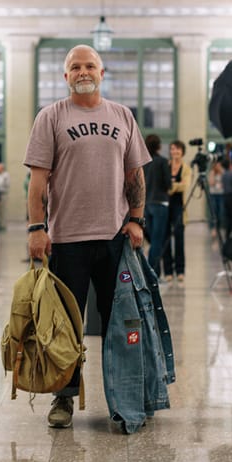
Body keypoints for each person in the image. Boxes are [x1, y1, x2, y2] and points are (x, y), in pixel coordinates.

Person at [24, 44, 150, 429]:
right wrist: (36, 227)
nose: (83, 71)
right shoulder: (51, 117)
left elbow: (135, 175)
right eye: (75, 66)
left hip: (114, 238)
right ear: (65, 76)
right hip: (67, 240)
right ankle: (63, 398)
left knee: (120, 323)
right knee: (66, 326)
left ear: (102, 72)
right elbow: (38, 181)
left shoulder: (122, 116)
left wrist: (137, 219)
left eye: (90, 65)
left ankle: (124, 401)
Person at [143, 134, 171, 277]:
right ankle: (152, 273)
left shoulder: (144, 162)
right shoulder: (163, 162)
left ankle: (153, 272)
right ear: (159, 146)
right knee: (157, 241)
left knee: (153, 239)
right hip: (160, 203)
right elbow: (168, 184)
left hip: (147, 203)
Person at [163, 140, 190, 283]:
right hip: (165, 205)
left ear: (182, 152)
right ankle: (168, 271)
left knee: (179, 238)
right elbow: (161, 184)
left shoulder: (186, 168)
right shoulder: (165, 166)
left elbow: (185, 186)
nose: (175, 152)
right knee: (165, 238)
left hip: (179, 207)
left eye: (178, 149)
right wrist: (175, 185)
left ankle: (180, 271)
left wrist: (170, 186)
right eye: (173, 149)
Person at [208, 159, 225, 237]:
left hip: (221, 195)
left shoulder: (223, 172)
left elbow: (225, 182)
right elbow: (211, 183)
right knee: (214, 212)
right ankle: (213, 228)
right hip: (213, 195)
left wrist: (221, 172)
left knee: (221, 212)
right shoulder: (212, 172)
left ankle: (220, 227)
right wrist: (217, 181)